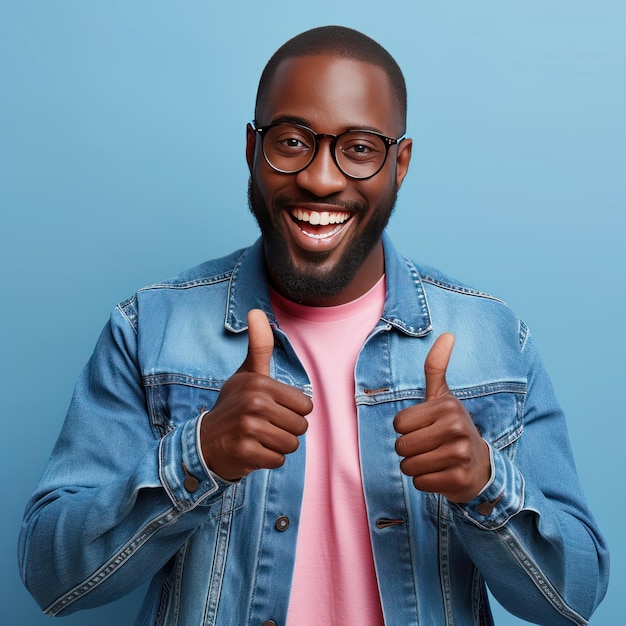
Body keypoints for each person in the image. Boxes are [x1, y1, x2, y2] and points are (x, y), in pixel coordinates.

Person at [19, 25, 608, 626]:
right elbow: (49, 575)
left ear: (399, 164)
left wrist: (486, 485)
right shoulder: (150, 329)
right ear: (252, 149)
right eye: (293, 142)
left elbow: (576, 597)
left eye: (359, 148)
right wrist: (198, 457)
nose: (321, 179)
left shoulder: (494, 341)